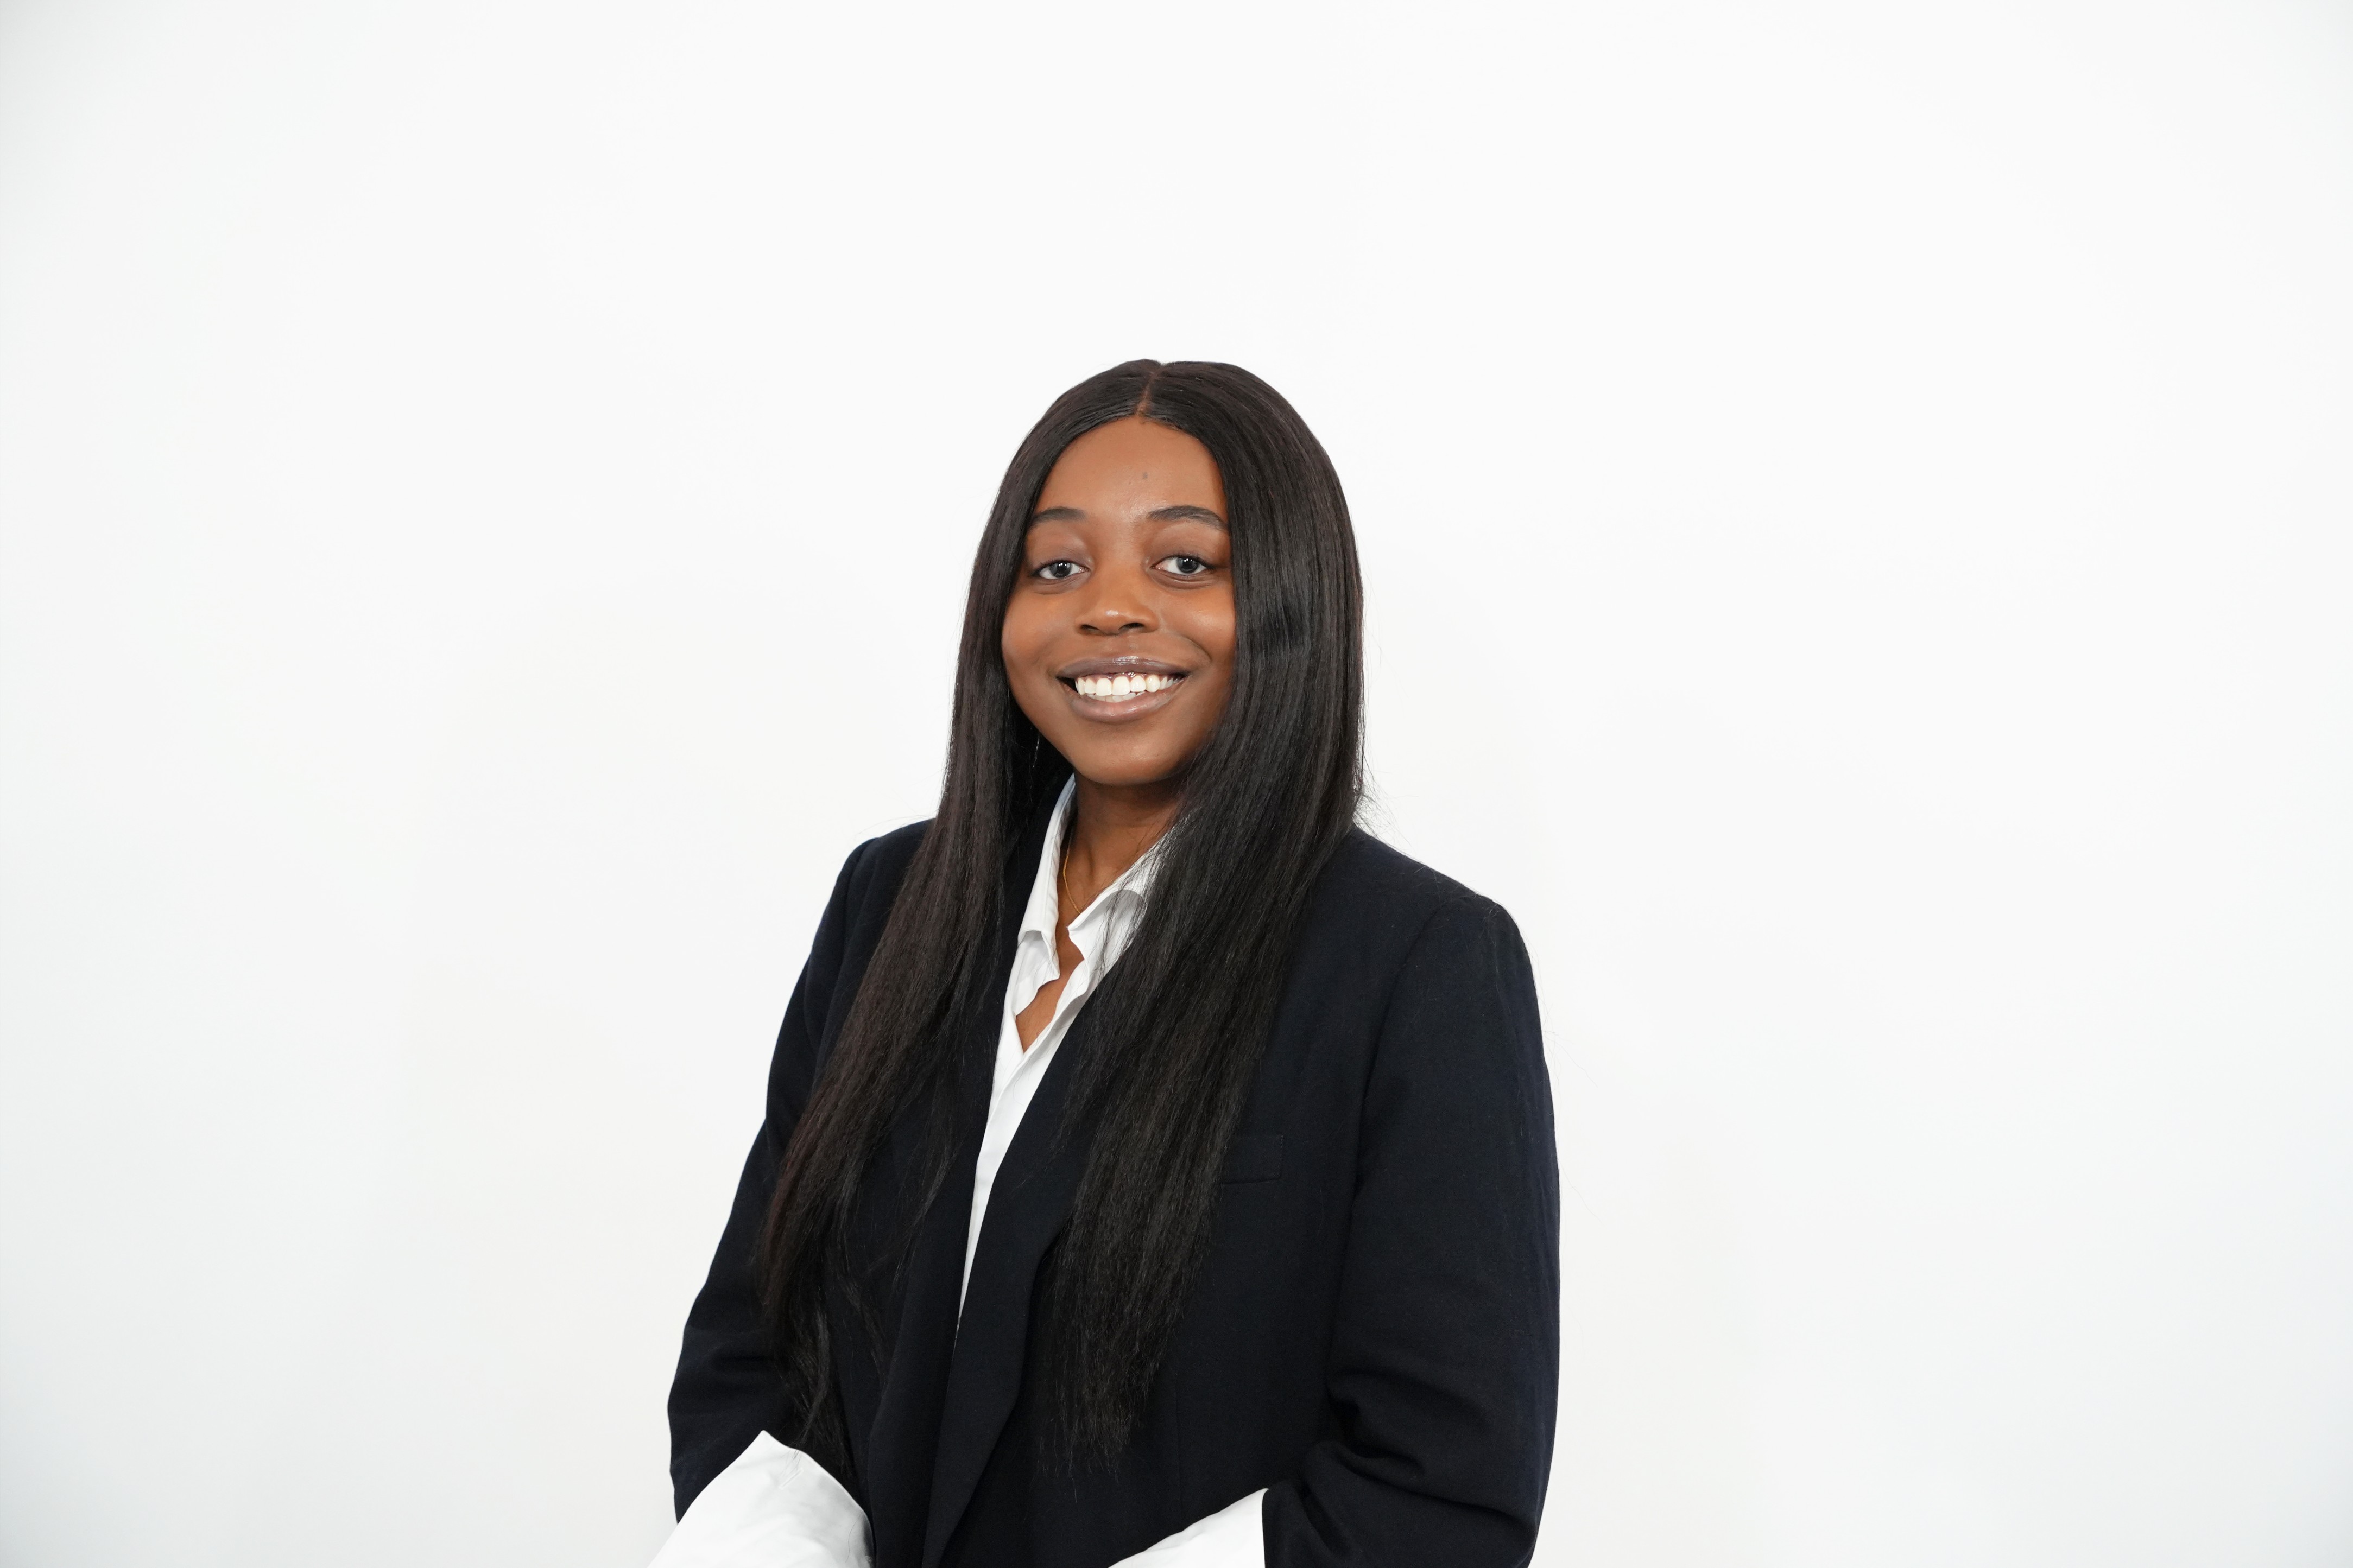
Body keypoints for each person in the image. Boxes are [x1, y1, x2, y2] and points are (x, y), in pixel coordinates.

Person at [656, 360, 1558, 1568]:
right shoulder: (889, 904)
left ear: (1290, 597)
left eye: (1185, 562)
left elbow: (1439, 1484)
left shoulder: (1418, 966)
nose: (1109, 609)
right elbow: (759, 1350)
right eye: (1058, 566)